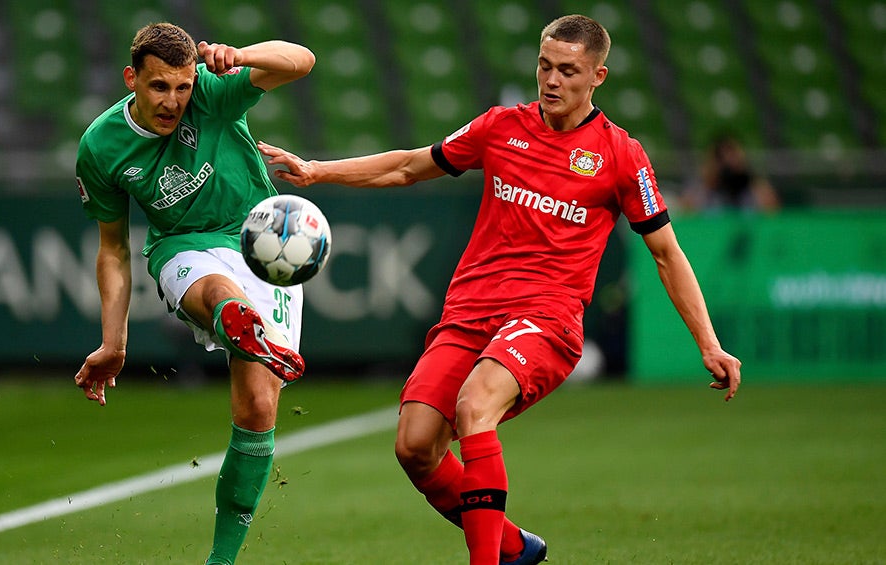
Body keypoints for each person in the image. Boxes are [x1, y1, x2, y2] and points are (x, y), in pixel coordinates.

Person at [259, 14, 741, 565]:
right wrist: (319, 171)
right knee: (415, 447)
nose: (551, 80)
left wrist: (708, 343)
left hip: (547, 319)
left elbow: (666, 253)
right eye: (544, 65)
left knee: (475, 406)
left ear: (598, 77)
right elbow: (411, 167)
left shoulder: (620, 156)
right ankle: (512, 548)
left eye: (568, 70)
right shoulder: (500, 127)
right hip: (469, 313)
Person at [72, 22, 315, 564]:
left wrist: (241, 55)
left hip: (260, 236)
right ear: (131, 78)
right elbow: (112, 249)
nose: (174, 102)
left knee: (257, 407)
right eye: (159, 87)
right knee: (219, 291)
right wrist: (115, 342)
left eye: (182, 88)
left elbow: (301, 59)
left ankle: (220, 560)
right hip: (181, 247)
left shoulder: (211, 88)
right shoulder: (101, 145)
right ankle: (235, 316)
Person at [681, 133, 780, 212]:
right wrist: (708, 180)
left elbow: (773, 211)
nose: (728, 165)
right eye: (722, 158)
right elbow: (686, 212)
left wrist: (748, 177)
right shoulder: (703, 189)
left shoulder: (753, 187)